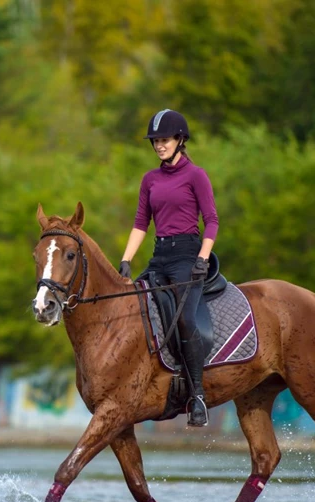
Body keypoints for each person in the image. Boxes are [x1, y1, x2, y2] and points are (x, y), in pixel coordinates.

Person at [119, 109, 218, 427]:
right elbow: (140, 224)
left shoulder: (196, 175)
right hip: (159, 256)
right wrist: (125, 260)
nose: (159, 145)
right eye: (155, 141)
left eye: (164, 140)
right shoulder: (150, 179)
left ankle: (197, 395)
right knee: (133, 308)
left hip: (187, 256)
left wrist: (202, 259)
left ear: (180, 140)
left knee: (186, 320)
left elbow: (212, 221)